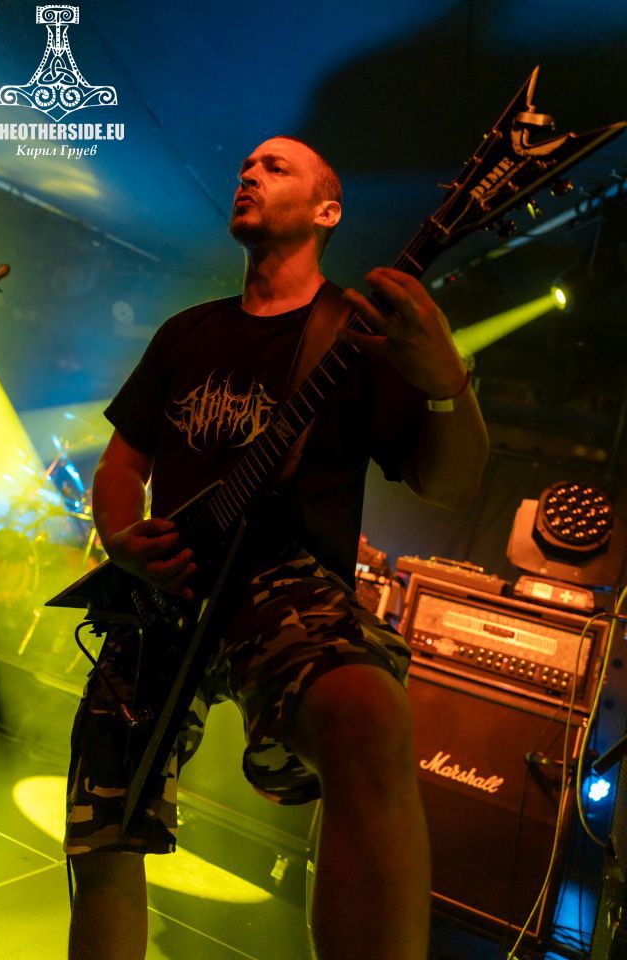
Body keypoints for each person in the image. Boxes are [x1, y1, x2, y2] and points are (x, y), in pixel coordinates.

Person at [64, 135, 489, 960]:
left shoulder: (357, 338)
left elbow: (451, 486)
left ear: (328, 211)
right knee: (103, 820)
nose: (247, 174)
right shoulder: (187, 333)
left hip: (282, 582)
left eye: (274, 166)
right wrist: (121, 541)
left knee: (366, 712)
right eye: (245, 166)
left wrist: (449, 383)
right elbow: (122, 463)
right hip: (165, 589)